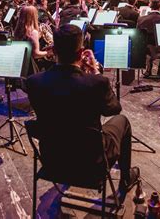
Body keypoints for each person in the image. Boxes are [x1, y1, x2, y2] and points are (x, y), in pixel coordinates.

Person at [26, 24, 139, 202]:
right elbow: (114, 109)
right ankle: (125, 179)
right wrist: (94, 73)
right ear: (81, 53)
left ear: (53, 50)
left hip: (53, 161)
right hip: (91, 163)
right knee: (122, 120)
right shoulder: (96, 83)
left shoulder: (33, 82)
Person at [136, 0, 160, 78]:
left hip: (146, 49)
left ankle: (148, 68)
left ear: (149, 5)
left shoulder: (141, 19)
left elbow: (138, 35)